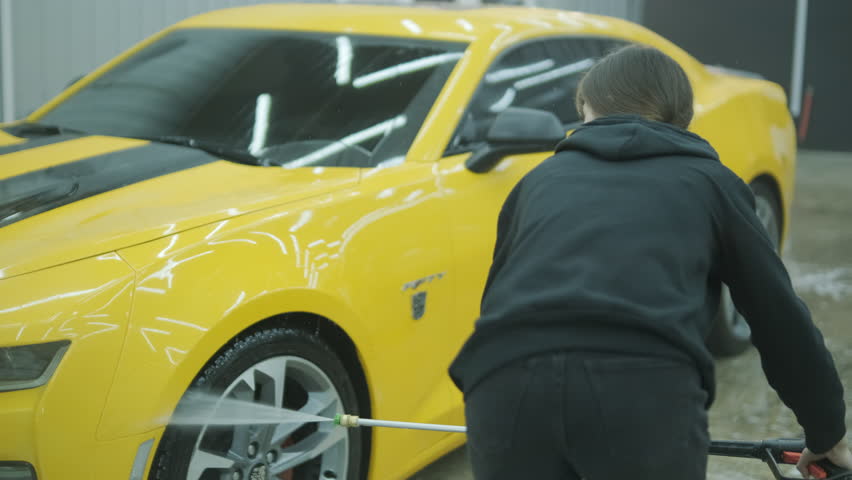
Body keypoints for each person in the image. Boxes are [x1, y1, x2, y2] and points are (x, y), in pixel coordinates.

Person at [448, 44, 852, 480]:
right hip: (642, 390)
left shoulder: (536, 183)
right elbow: (778, 317)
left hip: (505, 386)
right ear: (679, 118)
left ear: (588, 107)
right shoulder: (711, 184)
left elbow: (497, 305)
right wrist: (826, 430)